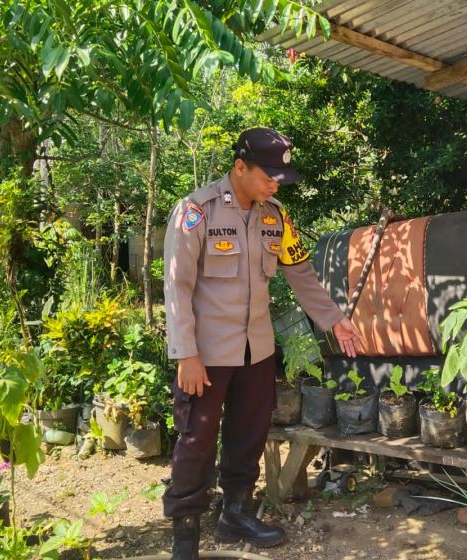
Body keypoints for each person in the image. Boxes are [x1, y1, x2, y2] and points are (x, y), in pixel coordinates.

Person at [162, 127, 361, 559]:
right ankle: (186, 533)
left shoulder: (276, 216)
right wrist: (186, 354)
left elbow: (300, 272)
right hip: (207, 353)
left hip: (257, 349)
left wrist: (334, 319)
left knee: (248, 434)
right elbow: (177, 286)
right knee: (197, 439)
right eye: (268, 176)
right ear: (240, 167)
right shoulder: (196, 211)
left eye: (279, 179)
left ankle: (236, 513)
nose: (275, 185)